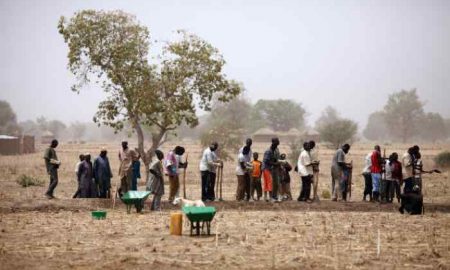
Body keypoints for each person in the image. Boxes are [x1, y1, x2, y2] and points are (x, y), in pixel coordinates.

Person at [262, 138, 282, 202]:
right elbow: (266, 161)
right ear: (273, 142)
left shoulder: (274, 150)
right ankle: (271, 198)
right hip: (266, 168)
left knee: (267, 183)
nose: (278, 142)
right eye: (277, 141)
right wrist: (275, 164)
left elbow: (272, 160)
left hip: (267, 168)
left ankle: (265, 198)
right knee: (270, 182)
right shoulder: (269, 151)